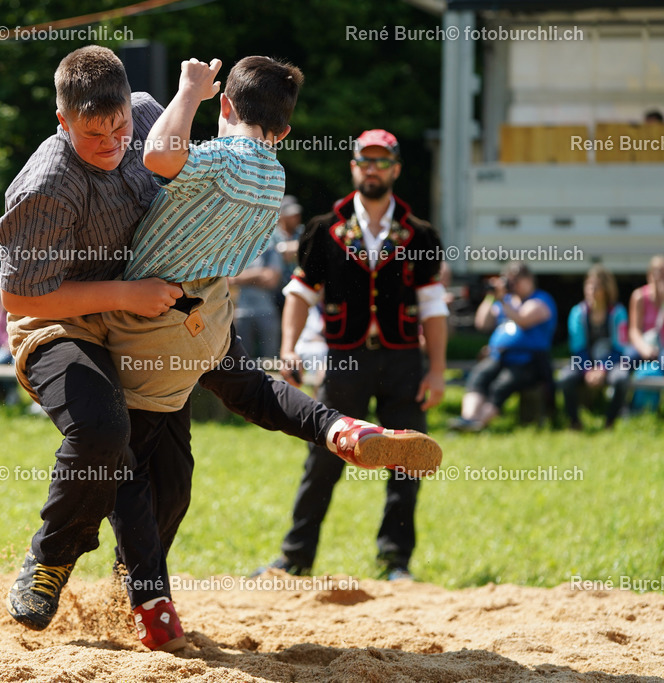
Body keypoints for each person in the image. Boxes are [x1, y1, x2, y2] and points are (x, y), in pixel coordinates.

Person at [0, 46, 441, 652]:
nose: (110, 141)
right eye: (92, 132)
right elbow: (23, 298)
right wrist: (132, 291)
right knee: (106, 433)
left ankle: (336, 434)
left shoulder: (155, 115)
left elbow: (199, 175)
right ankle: (57, 565)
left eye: (119, 126)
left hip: (158, 314)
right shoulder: (47, 183)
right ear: (62, 120)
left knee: (177, 475)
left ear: (132, 107)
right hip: (66, 324)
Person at [257, 129, 449, 582]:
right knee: (323, 458)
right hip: (344, 361)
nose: (374, 169)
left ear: (396, 169)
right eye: (367, 160)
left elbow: (434, 307)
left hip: (404, 362)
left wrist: (438, 369)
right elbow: (300, 294)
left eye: (383, 162)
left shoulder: (421, 234)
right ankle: (296, 557)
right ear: (354, 166)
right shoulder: (325, 229)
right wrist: (288, 349)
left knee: (409, 459)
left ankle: (395, 562)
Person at [450, 261, 557, 432]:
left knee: (501, 385)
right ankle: (467, 419)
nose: (512, 285)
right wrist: (491, 296)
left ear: (528, 279)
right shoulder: (505, 301)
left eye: (516, 280)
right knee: (479, 376)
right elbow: (482, 323)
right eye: (509, 280)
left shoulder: (540, 300)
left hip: (528, 361)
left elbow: (522, 319)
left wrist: (502, 299)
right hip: (498, 357)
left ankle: (479, 424)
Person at [558, 265, 631, 430]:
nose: (591, 291)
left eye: (596, 287)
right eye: (589, 286)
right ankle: (574, 422)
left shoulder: (618, 313)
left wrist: (602, 368)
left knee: (621, 378)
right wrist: (588, 369)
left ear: (606, 289)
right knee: (565, 377)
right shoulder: (577, 313)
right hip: (584, 363)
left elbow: (619, 348)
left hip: (612, 362)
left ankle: (610, 422)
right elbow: (578, 348)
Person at [228, 245, 283, 359]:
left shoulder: (270, 250)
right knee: (241, 360)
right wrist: (259, 274)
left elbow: (271, 280)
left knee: (270, 360)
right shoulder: (239, 249)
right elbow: (231, 279)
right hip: (242, 311)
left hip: (267, 311)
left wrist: (244, 277)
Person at [628, 254, 664, 412]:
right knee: (625, 361)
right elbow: (634, 330)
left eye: (662, 272)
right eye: (656, 271)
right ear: (649, 274)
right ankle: (621, 398)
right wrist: (644, 348)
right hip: (643, 345)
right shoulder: (639, 297)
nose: (659, 276)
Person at [272, 194, 304, 309]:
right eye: (292, 215)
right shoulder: (272, 235)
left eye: (297, 214)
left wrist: (283, 249)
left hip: (299, 287)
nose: (296, 217)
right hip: (276, 292)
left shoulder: (302, 232)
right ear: (281, 216)